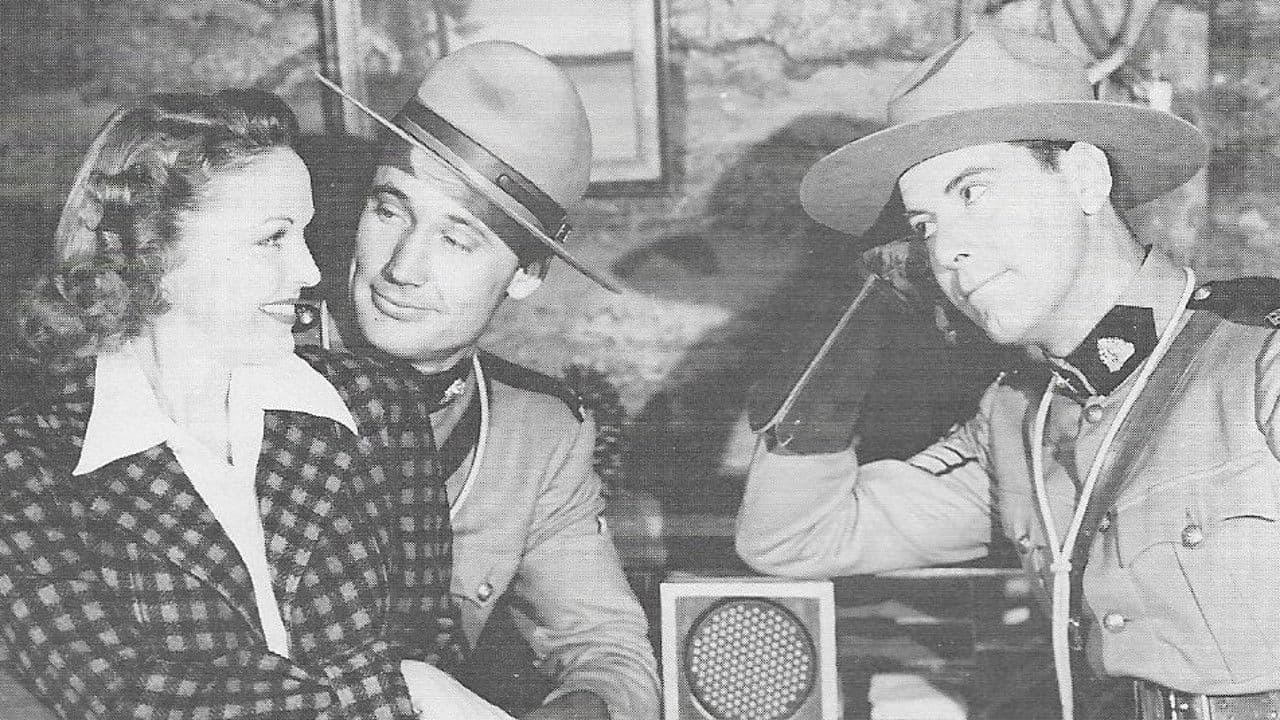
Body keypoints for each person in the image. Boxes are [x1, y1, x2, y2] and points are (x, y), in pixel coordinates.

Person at [735, 26, 1280, 720]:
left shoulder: (1257, 363)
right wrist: (862, 320)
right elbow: (791, 539)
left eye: (973, 192)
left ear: (1085, 179)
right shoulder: (1019, 420)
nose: (946, 250)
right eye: (925, 224)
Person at [0, 89, 507, 719]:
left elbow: (429, 641)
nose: (310, 271)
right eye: (274, 238)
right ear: (154, 250)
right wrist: (400, 690)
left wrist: (419, 680)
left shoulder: (378, 406)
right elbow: (118, 693)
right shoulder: (28, 465)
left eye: (306, 234)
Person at [320, 40, 660, 720]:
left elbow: (606, 650)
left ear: (527, 274)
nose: (402, 268)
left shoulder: (536, 435)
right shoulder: (252, 371)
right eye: (389, 209)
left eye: (457, 239)